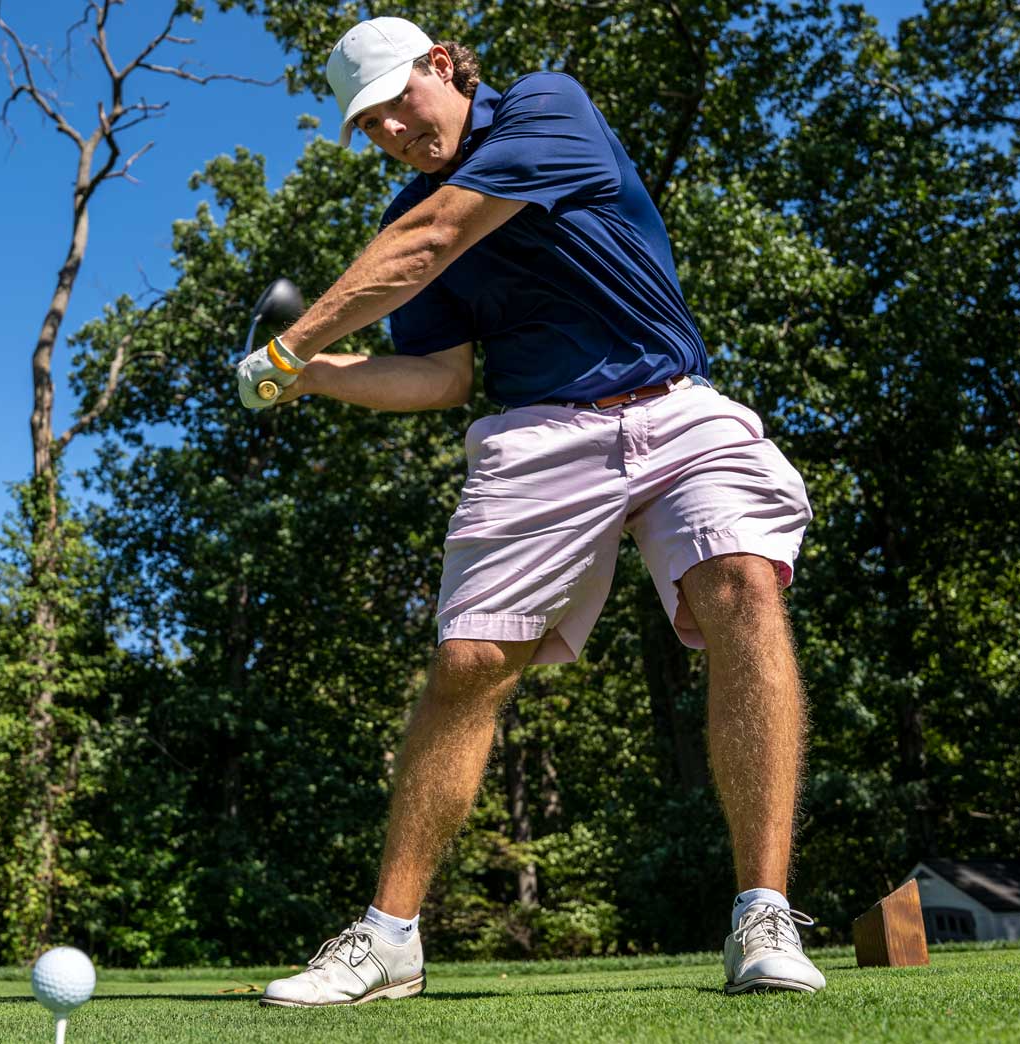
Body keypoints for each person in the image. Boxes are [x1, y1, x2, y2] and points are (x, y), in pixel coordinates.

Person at [235, 16, 823, 1005]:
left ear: (442, 65)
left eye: (395, 102)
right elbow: (435, 377)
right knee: (469, 664)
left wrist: (287, 345)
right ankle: (388, 942)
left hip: (675, 407)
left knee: (742, 584)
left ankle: (761, 914)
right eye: (367, 123)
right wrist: (314, 377)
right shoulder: (405, 215)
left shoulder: (546, 107)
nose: (388, 131)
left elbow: (432, 238)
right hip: (536, 434)